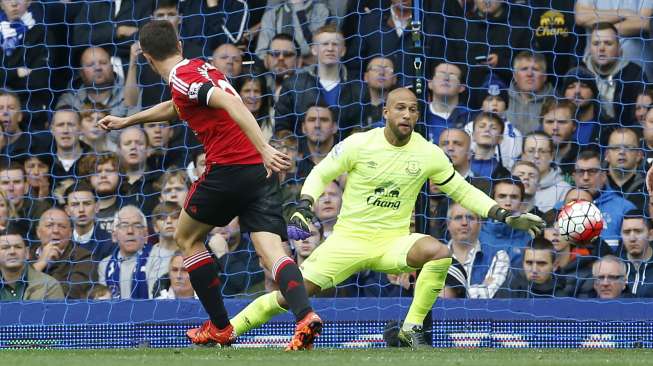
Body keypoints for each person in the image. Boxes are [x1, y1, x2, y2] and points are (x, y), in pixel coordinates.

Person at [228, 88, 544, 349]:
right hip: (347, 242)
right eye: (400, 108)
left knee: (438, 252)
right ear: (386, 113)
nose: (407, 114)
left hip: (392, 243)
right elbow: (322, 171)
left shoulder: (428, 153)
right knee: (291, 294)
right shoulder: (359, 144)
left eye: (413, 109)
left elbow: (462, 191)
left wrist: (504, 214)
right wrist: (305, 203)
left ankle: (411, 328)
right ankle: (228, 331)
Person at [98, 20, 319, 350]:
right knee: (272, 251)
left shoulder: (180, 77)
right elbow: (179, 105)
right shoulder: (198, 67)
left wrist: (264, 147)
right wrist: (129, 120)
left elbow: (231, 103)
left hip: (229, 169)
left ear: (144, 56)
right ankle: (305, 317)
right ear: (180, 45)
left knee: (185, 237)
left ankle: (219, 327)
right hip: (257, 173)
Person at [581, 23, 647, 124]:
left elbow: (642, 116)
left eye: (608, 43)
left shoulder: (635, 74)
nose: (601, 48)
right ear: (589, 48)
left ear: (619, 48)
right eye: (596, 43)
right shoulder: (579, 72)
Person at [573, 150, 637, 246]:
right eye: (580, 172)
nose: (585, 177)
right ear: (574, 177)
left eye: (592, 171)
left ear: (603, 176)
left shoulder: (624, 208)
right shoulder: (561, 207)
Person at [446, 202, 510, 299]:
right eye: (458, 217)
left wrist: (451, 292)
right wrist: (481, 287)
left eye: (470, 218)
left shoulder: (498, 256)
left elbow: (488, 294)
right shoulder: (434, 257)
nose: (464, 223)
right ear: (448, 224)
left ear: (480, 224)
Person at [32, 208, 96, 299]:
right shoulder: (25, 256)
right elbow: (17, 290)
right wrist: (40, 263)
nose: (56, 231)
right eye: (49, 225)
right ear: (38, 232)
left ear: (70, 233)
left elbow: (69, 294)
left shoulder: (84, 258)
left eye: (62, 226)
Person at [97, 205, 155, 299]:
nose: (130, 231)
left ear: (146, 235)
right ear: (114, 236)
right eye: (124, 226)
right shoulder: (105, 264)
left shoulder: (157, 258)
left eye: (137, 226)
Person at [0, 226, 64, 301]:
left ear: (27, 253)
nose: (12, 252)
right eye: (5, 247)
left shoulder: (49, 286)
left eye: (18, 247)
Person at [495, 237, 567, 298]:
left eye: (541, 263)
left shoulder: (561, 297)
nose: (534, 270)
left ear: (554, 266)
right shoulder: (510, 287)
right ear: (523, 263)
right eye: (529, 263)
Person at [64, 181, 114, 261]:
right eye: (75, 204)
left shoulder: (109, 243)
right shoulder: (61, 241)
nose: (81, 210)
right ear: (67, 210)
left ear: (97, 207)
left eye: (87, 204)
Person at [521, 131, 571, 212]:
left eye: (542, 151)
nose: (536, 156)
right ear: (523, 155)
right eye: (531, 151)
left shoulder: (563, 190)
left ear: (551, 156)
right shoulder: (512, 185)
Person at [506, 52, 553, 134]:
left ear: (545, 76)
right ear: (515, 75)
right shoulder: (502, 99)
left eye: (535, 69)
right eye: (524, 69)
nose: (529, 74)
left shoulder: (556, 102)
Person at [425, 62, 472, 144]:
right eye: (440, 74)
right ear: (430, 84)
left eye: (452, 75)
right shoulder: (419, 116)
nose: (446, 78)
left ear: (462, 87)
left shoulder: (471, 117)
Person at [605, 128, 646, 209]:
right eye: (616, 147)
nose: (622, 152)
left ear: (639, 155)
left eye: (628, 147)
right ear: (607, 155)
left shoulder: (648, 187)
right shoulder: (595, 185)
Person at [539, 98, 579, 175]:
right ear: (542, 125)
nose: (555, 127)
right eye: (549, 122)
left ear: (574, 126)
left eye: (562, 122)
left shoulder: (584, 156)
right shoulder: (529, 156)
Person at [617, 212, 653, 297]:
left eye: (638, 231)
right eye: (626, 232)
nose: (632, 238)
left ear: (651, 235)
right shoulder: (614, 267)